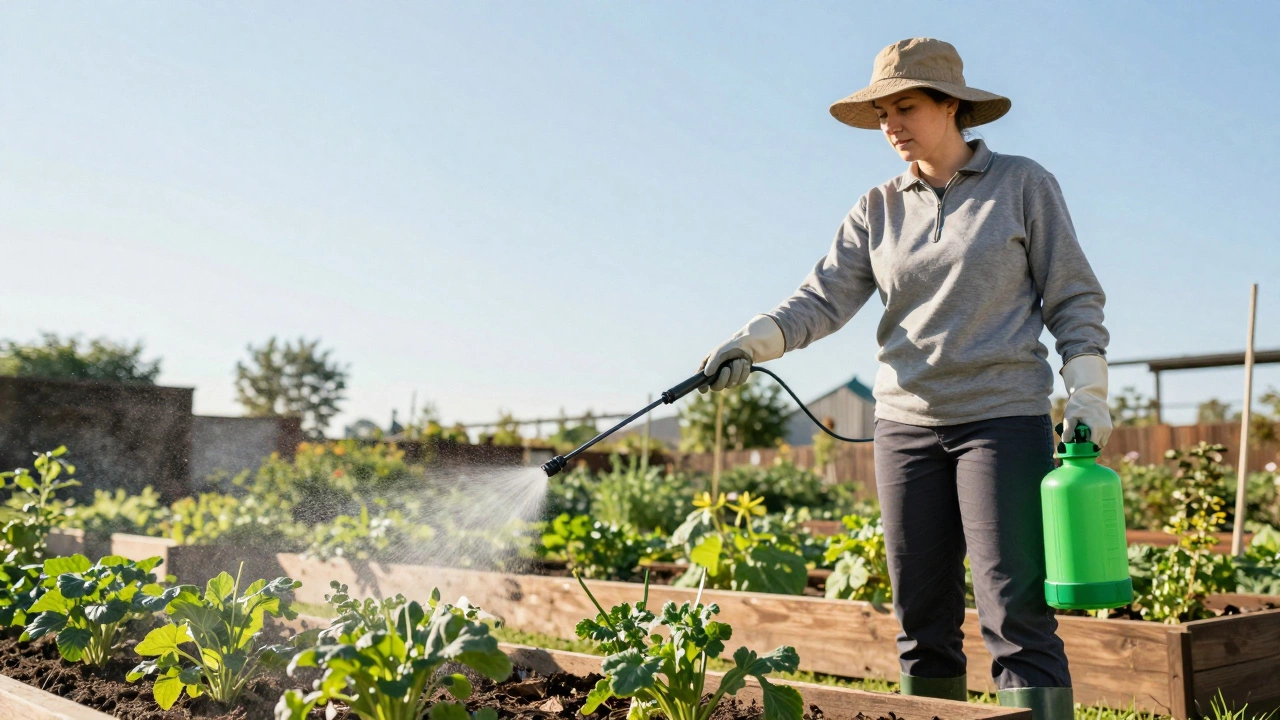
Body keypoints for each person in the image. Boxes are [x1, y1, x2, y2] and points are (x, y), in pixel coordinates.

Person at [698, 37, 1111, 720]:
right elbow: (822, 299)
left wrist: (1088, 390)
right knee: (920, 617)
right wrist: (756, 338)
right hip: (906, 430)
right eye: (883, 112)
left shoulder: (1022, 186)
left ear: (952, 105)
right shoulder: (876, 209)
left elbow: (1073, 297)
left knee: (1015, 615)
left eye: (906, 106)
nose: (891, 124)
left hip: (1002, 421)